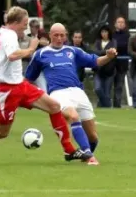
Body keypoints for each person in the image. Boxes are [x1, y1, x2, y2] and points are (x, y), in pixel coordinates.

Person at [0, 6, 90, 165]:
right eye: (24, 23)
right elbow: (13, 55)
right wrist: (32, 48)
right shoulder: (9, 35)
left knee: (54, 106)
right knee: (1, 132)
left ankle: (69, 150)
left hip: (20, 85)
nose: (26, 27)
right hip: (7, 90)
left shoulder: (3, 32)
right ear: (15, 22)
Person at [26, 23, 117, 165]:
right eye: (56, 35)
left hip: (78, 92)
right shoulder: (40, 54)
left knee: (93, 137)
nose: (59, 38)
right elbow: (28, 79)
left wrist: (108, 57)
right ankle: (89, 157)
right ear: (50, 35)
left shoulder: (73, 51)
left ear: (66, 36)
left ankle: (84, 154)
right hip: (58, 93)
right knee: (73, 116)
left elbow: (96, 61)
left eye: (62, 35)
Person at [93, 26, 117, 108]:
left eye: (106, 32)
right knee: (97, 89)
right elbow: (96, 52)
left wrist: (103, 53)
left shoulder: (113, 41)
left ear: (109, 33)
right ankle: (107, 105)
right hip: (98, 70)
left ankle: (103, 107)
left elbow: (114, 52)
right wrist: (107, 52)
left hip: (109, 71)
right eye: (102, 32)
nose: (104, 34)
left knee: (107, 92)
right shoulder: (97, 42)